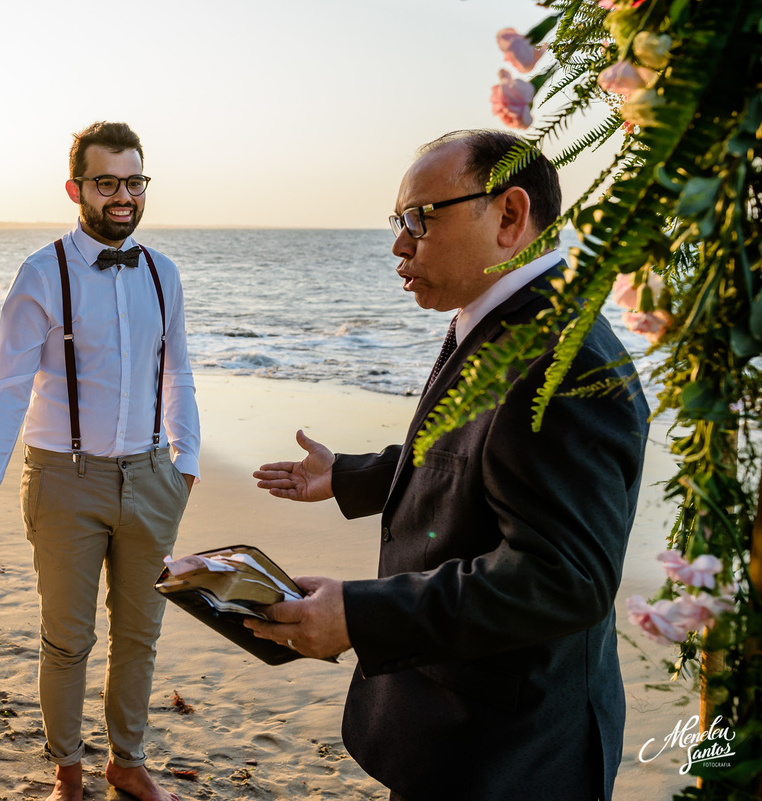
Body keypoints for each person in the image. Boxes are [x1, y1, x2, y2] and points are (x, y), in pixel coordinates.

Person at [248, 130, 650, 801]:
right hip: (459, 731)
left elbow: (564, 577)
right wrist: (350, 475)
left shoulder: (567, 361)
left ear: (510, 216)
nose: (400, 245)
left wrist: (361, 615)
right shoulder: (504, 319)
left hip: (513, 755)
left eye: (419, 219)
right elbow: (479, 456)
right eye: (398, 222)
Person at [0, 121, 199, 801]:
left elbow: (177, 372)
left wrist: (185, 463)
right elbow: (6, 391)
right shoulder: (41, 273)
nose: (123, 196)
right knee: (67, 638)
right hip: (65, 480)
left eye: (134, 181)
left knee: (141, 634)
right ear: (76, 189)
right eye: (106, 183)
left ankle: (127, 761)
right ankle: (67, 769)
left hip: (152, 476)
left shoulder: (163, 273)